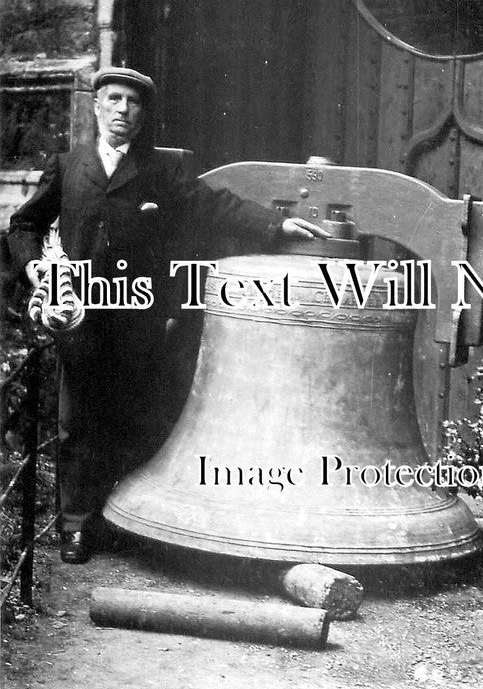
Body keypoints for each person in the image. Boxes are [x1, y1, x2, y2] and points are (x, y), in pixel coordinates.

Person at [8, 67, 328, 564]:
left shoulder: (161, 171)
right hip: (82, 320)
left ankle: (125, 520)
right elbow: (23, 223)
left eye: (133, 103)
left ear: (142, 115)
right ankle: (76, 524)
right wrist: (37, 270)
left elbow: (214, 205)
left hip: (138, 321)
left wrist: (276, 224)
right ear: (96, 107)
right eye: (113, 99)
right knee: (79, 421)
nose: (122, 111)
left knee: (134, 417)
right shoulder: (69, 167)